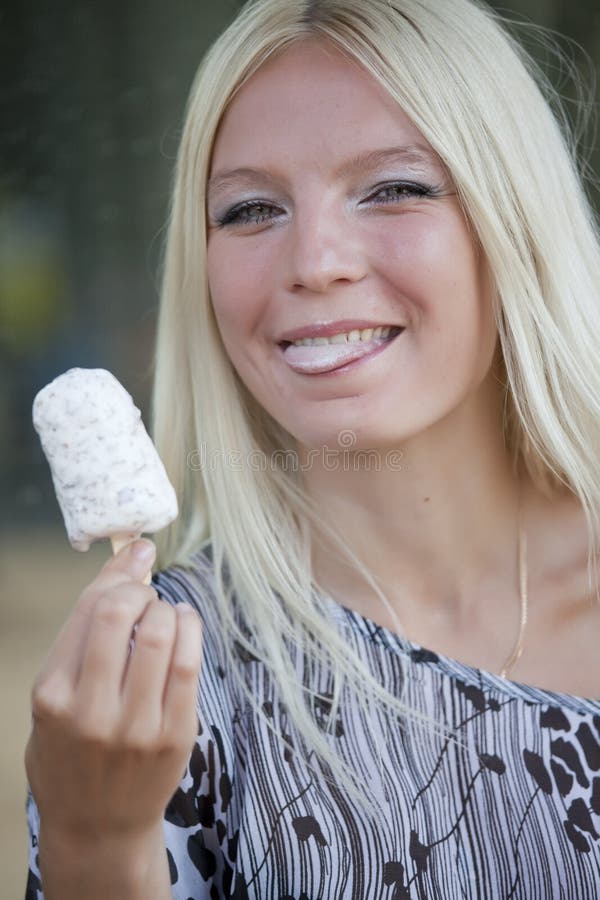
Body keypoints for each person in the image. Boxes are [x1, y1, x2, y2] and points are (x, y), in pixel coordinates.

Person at [25, 0, 600, 897]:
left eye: (395, 188)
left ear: (513, 221)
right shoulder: (162, 693)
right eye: (252, 209)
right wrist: (91, 849)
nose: (316, 262)